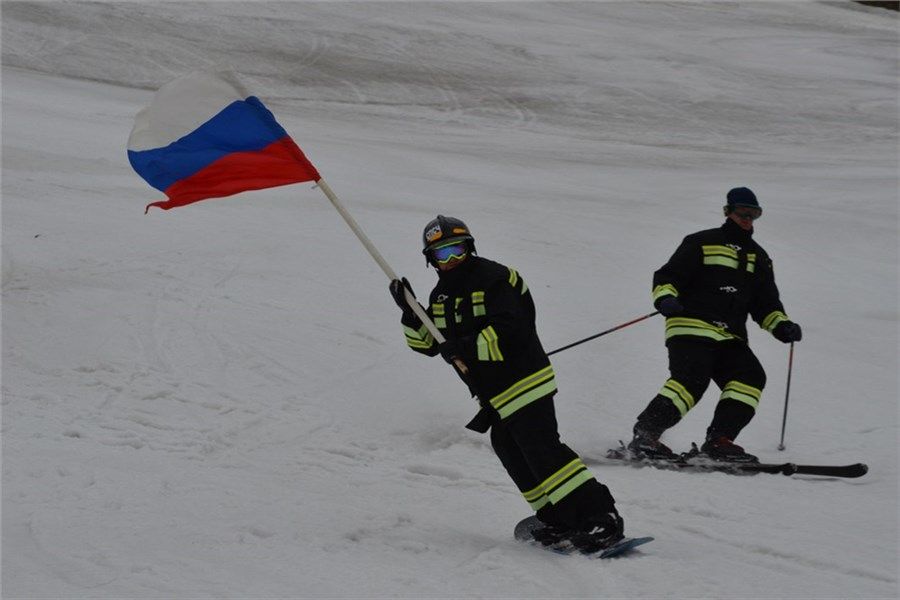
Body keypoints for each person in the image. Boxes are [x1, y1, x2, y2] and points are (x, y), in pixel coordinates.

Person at [389, 215, 624, 553]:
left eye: (456, 249)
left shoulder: (495, 279)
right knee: (510, 449)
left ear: (469, 247)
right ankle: (556, 517)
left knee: (542, 450)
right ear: (431, 260)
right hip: (494, 394)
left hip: (524, 380)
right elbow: (427, 345)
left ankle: (600, 518)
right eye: (442, 254)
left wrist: (464, 346)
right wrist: (411, 314)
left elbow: (512, 330)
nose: (452, 259)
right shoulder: (441, 295)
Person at [628, 187, 802, 462]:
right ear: (728, 212)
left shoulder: (759, 257)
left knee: (750, 377)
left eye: (754, 214)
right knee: (691, 379)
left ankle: (720, 441)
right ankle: (646, 436)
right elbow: (668, 277)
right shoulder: (701, 242)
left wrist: (781, 325)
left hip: (730, 335)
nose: (748, 219)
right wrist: (666, 299)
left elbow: (766, 305)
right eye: (743, 213)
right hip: (690, 326)